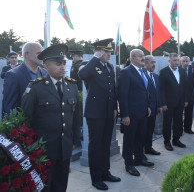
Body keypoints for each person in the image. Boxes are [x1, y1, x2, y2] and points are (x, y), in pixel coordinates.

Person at [21, 44, 80, 192]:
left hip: (65, 146)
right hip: (44, 149)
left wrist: (75, 140)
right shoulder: (36, 87)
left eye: (64, 63)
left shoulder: (71, 86)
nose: (62, 67)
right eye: (58, 64)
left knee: (61, 184)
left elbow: (75, 116)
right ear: (46, 66)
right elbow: (26, 119)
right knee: (44, 185)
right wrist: (30, 147)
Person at [78, 38, 121, 190]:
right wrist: (95, 58)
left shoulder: (109, 66)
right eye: (106, 51)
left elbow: (113, 89)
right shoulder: (89, 64)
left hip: (109, 111)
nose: (109, 54)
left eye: (109, 51)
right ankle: (96, 178)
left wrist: (115, 107)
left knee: (105, 144)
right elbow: (82, 75)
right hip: (95, 112)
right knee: (96, 146)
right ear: (98, 51)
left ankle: (105, 172)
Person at [118, 49, 153, 177]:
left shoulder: (143, 71)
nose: (143, 58)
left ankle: (139, 158)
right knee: (129, 139)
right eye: (140, 56)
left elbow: (146, 90)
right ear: (132, 58)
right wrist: (125, 115)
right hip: (131, 114)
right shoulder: (126, 72)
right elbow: (122, 95)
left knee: (140, 137)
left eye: (143, 56)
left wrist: (148, 106)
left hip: (143, 112)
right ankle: (129, 164)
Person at [2, 42, 46, 116]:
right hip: (26, 124)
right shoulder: (13, 75)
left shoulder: (45, 73)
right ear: (27, 54)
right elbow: (10, 108)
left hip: (45, 124)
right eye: (39, 53)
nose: (42, 56)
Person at [159, 53, 188, 151]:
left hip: (180, 102)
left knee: (178, 122)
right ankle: (167, 142)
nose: (176, 62)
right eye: (174, 60)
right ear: (169, 61)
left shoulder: (182, 71)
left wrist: (185, 100)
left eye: (177, 60)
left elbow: (184, 87)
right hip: (168, 104)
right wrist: (163, 104)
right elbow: (161, 89)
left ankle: (176, 139)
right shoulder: (163, 72)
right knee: (167, 123)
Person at [143, 55, 162, 156]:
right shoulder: (142, 75)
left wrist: (159, 105)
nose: (154, 64)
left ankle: (148, 148)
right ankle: (139, 151)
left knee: (150, 130)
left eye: (154, 62)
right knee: (143, 131)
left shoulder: (155, 76)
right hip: (145, 109)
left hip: (154, 109)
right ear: (145, 63)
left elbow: (157, 92)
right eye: (151, 62)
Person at [180, 55, 194, 134]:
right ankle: (179, 129)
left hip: (190, 95)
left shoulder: (192, 69)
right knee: (179, 114)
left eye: (187, 61)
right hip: (180, 96)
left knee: (189, 113)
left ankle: (188, 129)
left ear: (189, 62)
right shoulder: (177, 69)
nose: (185, 63)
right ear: (180, 62)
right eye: (183, 61)